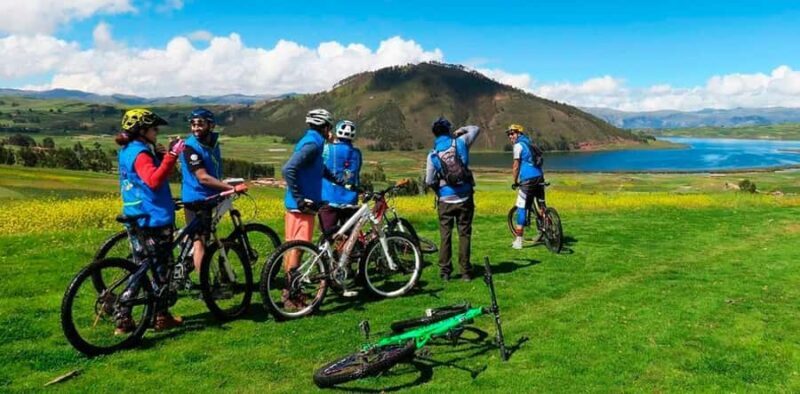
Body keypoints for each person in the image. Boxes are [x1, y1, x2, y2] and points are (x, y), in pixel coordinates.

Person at [114, 108, 185, 334]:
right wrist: (172, 156)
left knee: (141, 269)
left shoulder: (129, 150)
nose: (157, 133)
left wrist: (161, 155)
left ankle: (123, 321)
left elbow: (142, 181)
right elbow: (153, 180)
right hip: (153, 219)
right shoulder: (141, 153)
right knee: (162, 269)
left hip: (137, 214)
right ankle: (161, 316)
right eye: (154, 129)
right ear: (142, 130)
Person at [281, 108, 337, 309]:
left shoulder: (313, 141)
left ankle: (291, 290)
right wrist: (300, 198)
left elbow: (318, 168)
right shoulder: (313, 144)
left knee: (294, 247)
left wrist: (338, 180)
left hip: (299, 204)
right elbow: (288, 169)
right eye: (329, 127)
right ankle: (290, 294)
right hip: (301, 206)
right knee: (299, 248)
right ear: (325, 127)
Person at [179, 108, 246, 275]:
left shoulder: (212, 143)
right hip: (197, 199)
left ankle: (187, 249)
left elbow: (212, 172)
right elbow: (203, 177)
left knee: (203, 236)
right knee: (200, 241)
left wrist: (225, 184)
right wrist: (231, 188)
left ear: (211, 125)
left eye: (200, 124)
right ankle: (205, 286)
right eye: (193, 124)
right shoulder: (190, 147)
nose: (195, 128)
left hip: (209, 196)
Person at [424, 117, 481, 281]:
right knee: (464, 234)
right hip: (465, 196)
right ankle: (465, 272)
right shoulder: (461, 142)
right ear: (449, 131)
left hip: (445, 199)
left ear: (434, 134)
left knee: (445, 235)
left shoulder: (433, 154)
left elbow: (429, 181)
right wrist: (461, 130)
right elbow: (476, 128)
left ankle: (445, 272)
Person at [506, 124, 545, 250]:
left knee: (521, 207)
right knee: (542, 205)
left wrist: (515, 180)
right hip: (539, 176)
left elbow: (516, 166)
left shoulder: (518, 146)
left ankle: (518, 241)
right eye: (509, 134)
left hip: (527, 180)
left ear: (519, 134)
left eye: (512, 133)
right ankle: (546, 226)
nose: (510, 136)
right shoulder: (530, 143)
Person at [319, 120, 362, 234]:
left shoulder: (328, 149)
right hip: (350, 200)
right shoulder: (357, 153)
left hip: (329, 198)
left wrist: (329, 139)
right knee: (349, 237)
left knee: (327, 238)